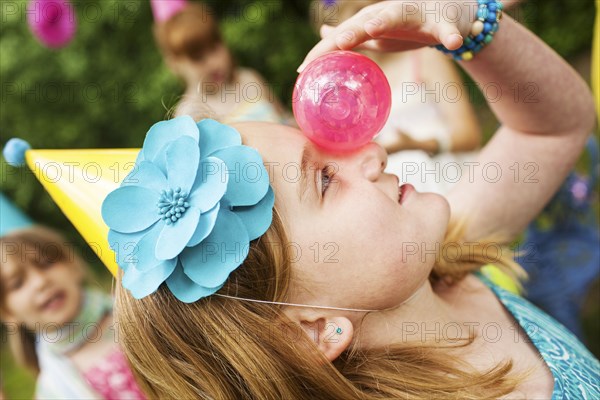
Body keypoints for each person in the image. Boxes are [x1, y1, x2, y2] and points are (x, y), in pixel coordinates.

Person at [12, 1, 597, 398]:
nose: (370, 152)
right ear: (315, 329)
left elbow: (552, 129)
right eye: (322, 178)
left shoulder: (443, 271)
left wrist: (472, 24)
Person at [312, 0, 482, 194]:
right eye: (357, 12)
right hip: (397, 187)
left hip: (448, 176)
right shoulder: (348, 84)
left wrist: (416, 145)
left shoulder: (423, 57)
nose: (367, 17)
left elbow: (469, 135)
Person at [0, 223, 145, 399]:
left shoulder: (141, 311)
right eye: (18, 283)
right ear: (8, 312)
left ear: (73, 265)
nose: (40, 282)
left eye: (46, 263)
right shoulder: (53, 391)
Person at [152, 1, 290, 124]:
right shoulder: (189, 114)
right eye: (198, 58)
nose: (213, 63)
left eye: (214, 48)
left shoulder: (248, 79)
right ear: (174, 65)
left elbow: (284, 119)